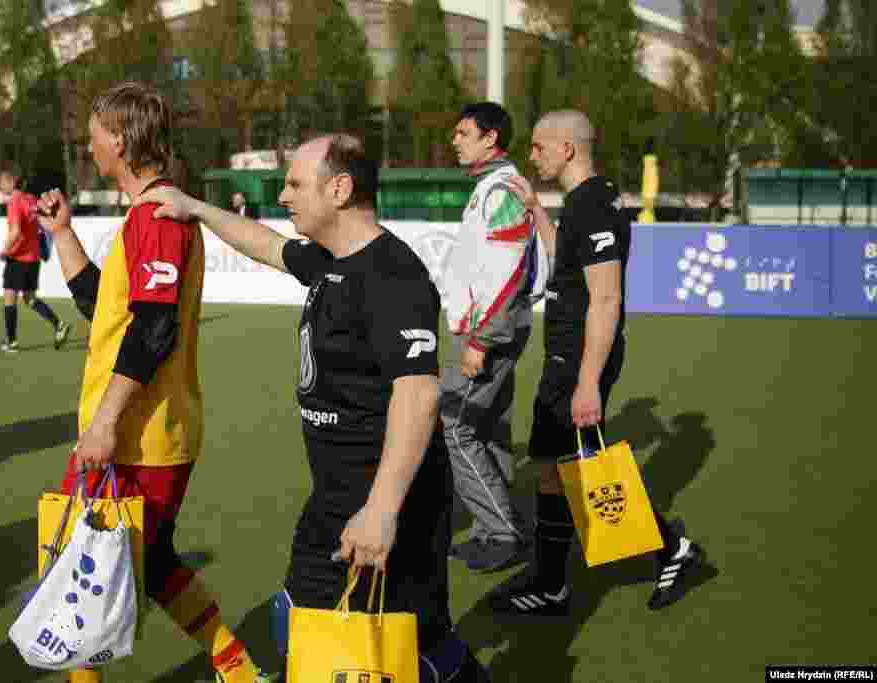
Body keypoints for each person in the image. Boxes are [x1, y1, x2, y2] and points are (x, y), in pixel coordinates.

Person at [138, 133, 490, 682]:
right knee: (301, 624)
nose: (283, 196)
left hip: (390, 498)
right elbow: (267, 246)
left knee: (410, 646)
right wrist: (196, 208)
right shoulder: (331, 260)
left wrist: (381, 510)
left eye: (296, 184)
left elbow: (418, 393)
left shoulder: (392, 275)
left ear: (340, 189)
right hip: (333, 494)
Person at [37, 82, 271, 683]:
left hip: (140, 437)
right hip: (147, 432)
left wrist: (105, 422)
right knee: (151, 562)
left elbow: (154, 328)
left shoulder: (157, 215)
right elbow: (109, 314)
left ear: (119, 139)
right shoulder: (150, 212)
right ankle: (237, 668)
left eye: (94, 135)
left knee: (81, 566)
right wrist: (62, 234)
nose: (89, 145)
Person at [490, 109, 705, 615]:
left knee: (584, 467)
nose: (532, 155)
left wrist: (587, 381)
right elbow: (565, 261)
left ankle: (672, 550)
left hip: (579, 357)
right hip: (568, 354)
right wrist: (536, 212)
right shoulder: (586, 199)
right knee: (556, 467)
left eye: (539, 146)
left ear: (566, 148)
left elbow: (606, 299)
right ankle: (550, 584)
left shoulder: (592, 205)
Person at [441, 102, 548, 572]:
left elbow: (508, 273)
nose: (454, 141)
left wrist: (481, 340)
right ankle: (496, 530)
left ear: (490, 139)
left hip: (489, 330)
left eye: (463, 133)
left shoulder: (501, 188)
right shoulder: (495, 186)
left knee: (454, 425)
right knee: (487, 428)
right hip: (494, 326)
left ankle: (501, 531)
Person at [0, 164, 70, 353]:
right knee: (29, 298)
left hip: (18, 257)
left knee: (10, 298)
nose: (0, 185)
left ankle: (11, 342)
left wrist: (5, 250)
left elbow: (16, 231)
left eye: (1, 181)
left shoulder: (15, 201)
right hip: (33, 258)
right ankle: (59, 324)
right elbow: (42, 226)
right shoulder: (31, 200)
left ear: (11, 181)